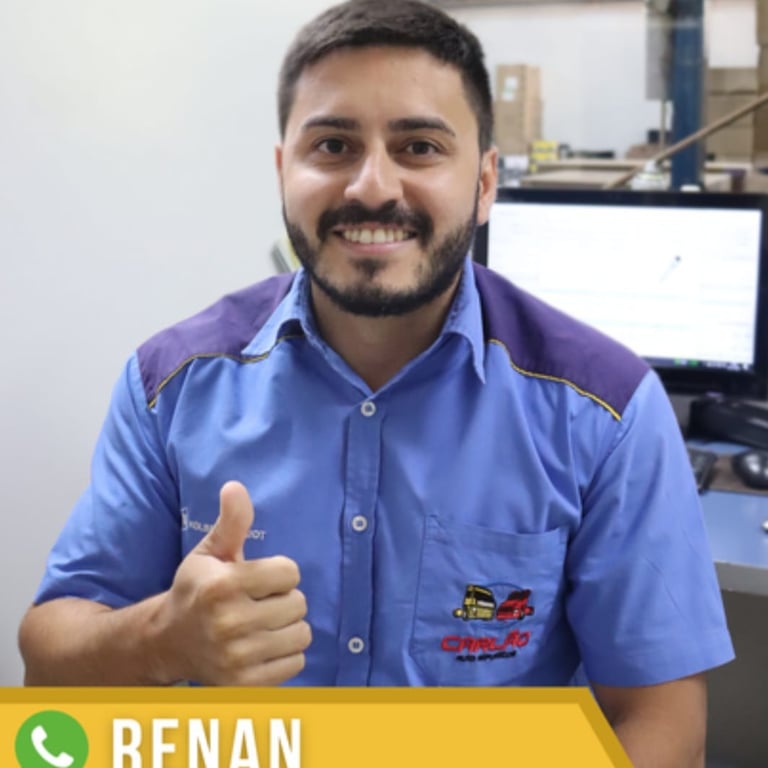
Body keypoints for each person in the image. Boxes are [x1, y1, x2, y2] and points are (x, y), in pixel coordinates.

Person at [19, 1, 733, 764]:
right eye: (333, 145)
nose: (371, 186)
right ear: (283, 172)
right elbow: (47, 667)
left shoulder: (605, 411)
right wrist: (164, 638)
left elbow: (661, 725)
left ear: (485, 182)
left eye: (419, 147)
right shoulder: (171, 386)